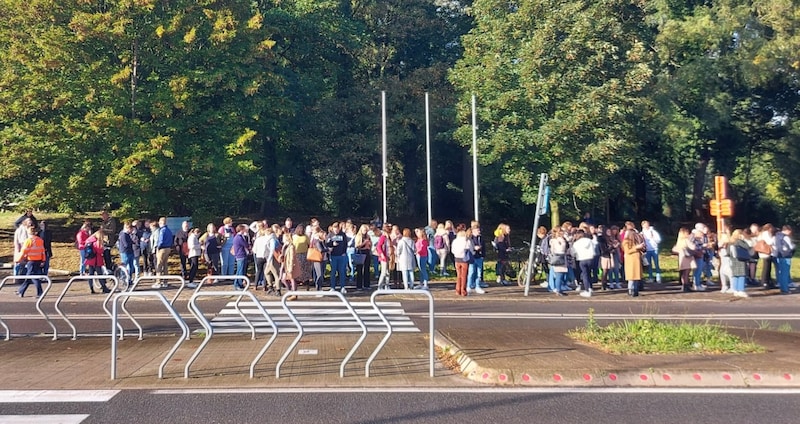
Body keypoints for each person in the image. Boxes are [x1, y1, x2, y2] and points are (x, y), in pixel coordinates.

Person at [15, 226, 46, 298]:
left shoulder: (28, 241)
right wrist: (43, 260)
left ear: (29, 232)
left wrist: (18, 260)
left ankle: (40, 293)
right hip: (38, 260)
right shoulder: (40, 240)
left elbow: (23, 251)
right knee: (30, 276)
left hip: (31, 261)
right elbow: (43, 251)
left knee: (33, 277)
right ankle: (21, 291)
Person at [571, 229, 595, 297]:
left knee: (584, 275)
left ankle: (587, 290)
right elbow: (593, 248)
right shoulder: (589, 241)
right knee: (589, 273)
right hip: (590, 258)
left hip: (582, 259)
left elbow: (574, 253)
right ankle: (590, 287)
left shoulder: (576, 243)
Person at [728, 229, 752, 298]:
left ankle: (735, 290)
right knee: (742, 275)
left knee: (735, 275)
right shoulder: (739, 242)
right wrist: (743, 240)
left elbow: (728, 252)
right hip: (741, 260)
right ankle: (741, 290)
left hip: (733, 260)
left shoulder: (730, 242)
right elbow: (747, 247)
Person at [622, 229, 645, 297]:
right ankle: (630, 290)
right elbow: (627, 251)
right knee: (631, 277)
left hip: (637, 261)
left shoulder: (636, 241)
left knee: (636, 277)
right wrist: (636, 247)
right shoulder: (626, 242)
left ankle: (636, 290)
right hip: (631, 261)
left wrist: (642, 247)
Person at [326, 222, 348, 293]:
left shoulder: (343, 235)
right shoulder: (330, 235)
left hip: (341, 255)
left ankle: (343, 287)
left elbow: (345, 244)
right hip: (333, 256)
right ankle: (332, 287)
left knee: (342, 271)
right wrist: (332, 244)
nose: (336, 230)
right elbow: (326, 243)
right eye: (334, 229)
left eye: (337, 229)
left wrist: (344, 252)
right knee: (333, 272)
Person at [450, 230, 473, 297]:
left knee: (458, 275)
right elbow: (471, 249)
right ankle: (463, 291)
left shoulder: (455, 241)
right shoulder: (467, 241)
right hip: (464, 259)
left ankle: (457, 290)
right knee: (464, 276)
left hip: (457, 259)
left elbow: (453, 251)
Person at [774, 225, 795, 295]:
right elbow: (791, 246)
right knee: (785, 273)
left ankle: (782, 288)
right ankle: (785, 289)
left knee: (781, 273)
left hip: (779, 255)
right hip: (786, 256)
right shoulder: (785, 237)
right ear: (788, 230)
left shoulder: (776, 236)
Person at [153, 217, 173, 288]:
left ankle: (158, 282)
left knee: (159, 265)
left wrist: (158, 247)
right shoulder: (169, 230)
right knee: (165, 265)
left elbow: (161, 240)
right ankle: (165, 281)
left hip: (162, 249)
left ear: (161, 222)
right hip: (168, 248)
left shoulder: (162, 231)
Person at [673, 228, 694, 293]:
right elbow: (693, 247)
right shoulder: (686, 240)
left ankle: (684, 285)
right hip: (687, 258)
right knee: (687, 273)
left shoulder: (679, 241)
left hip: (681, 257)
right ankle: (686, 286)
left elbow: (674, 249)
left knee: (683, 273)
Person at [466, 223, 486, 294]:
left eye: (479, 230)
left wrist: (483, 255)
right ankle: (468, 286)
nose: (479, 231)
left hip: (479, 257)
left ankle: (477, 286)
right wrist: (474, 248)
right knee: (471, 272)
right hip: (472, 257)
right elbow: (468, 247)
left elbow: (484, 247)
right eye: (477, 230)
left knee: (479, 273)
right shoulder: (470, 238)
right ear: (473, 231)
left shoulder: (481, 238)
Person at [232, 224, 251, 290]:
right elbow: (245, 244)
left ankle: (238, 284)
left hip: (241, 255)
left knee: (240, 270)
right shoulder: (239, 237)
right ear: (241, 230)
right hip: (241, 255)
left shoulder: (238, 237)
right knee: (240, 271)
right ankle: (238, 284)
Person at [355, 224, 372, 290]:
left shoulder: (368, 236)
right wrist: (364, 243)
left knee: (367, 269)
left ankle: (366, 284)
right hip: (361, 252)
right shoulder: (359, 236)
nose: (365, 231)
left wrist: (369, 244)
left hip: (367, 252)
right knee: (359, 269)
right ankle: (359, 285)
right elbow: (357, 246)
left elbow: (370, 244)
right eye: (364, 230)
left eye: (366, 230)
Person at [375, 225, 391, 290]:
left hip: (388, 256)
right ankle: (380, 286)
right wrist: (381, 254)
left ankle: (387, 285)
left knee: (388, 272)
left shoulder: (388, 238)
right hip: (383, 256)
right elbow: (378, 246)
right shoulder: (382, 237)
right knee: (383, 272)